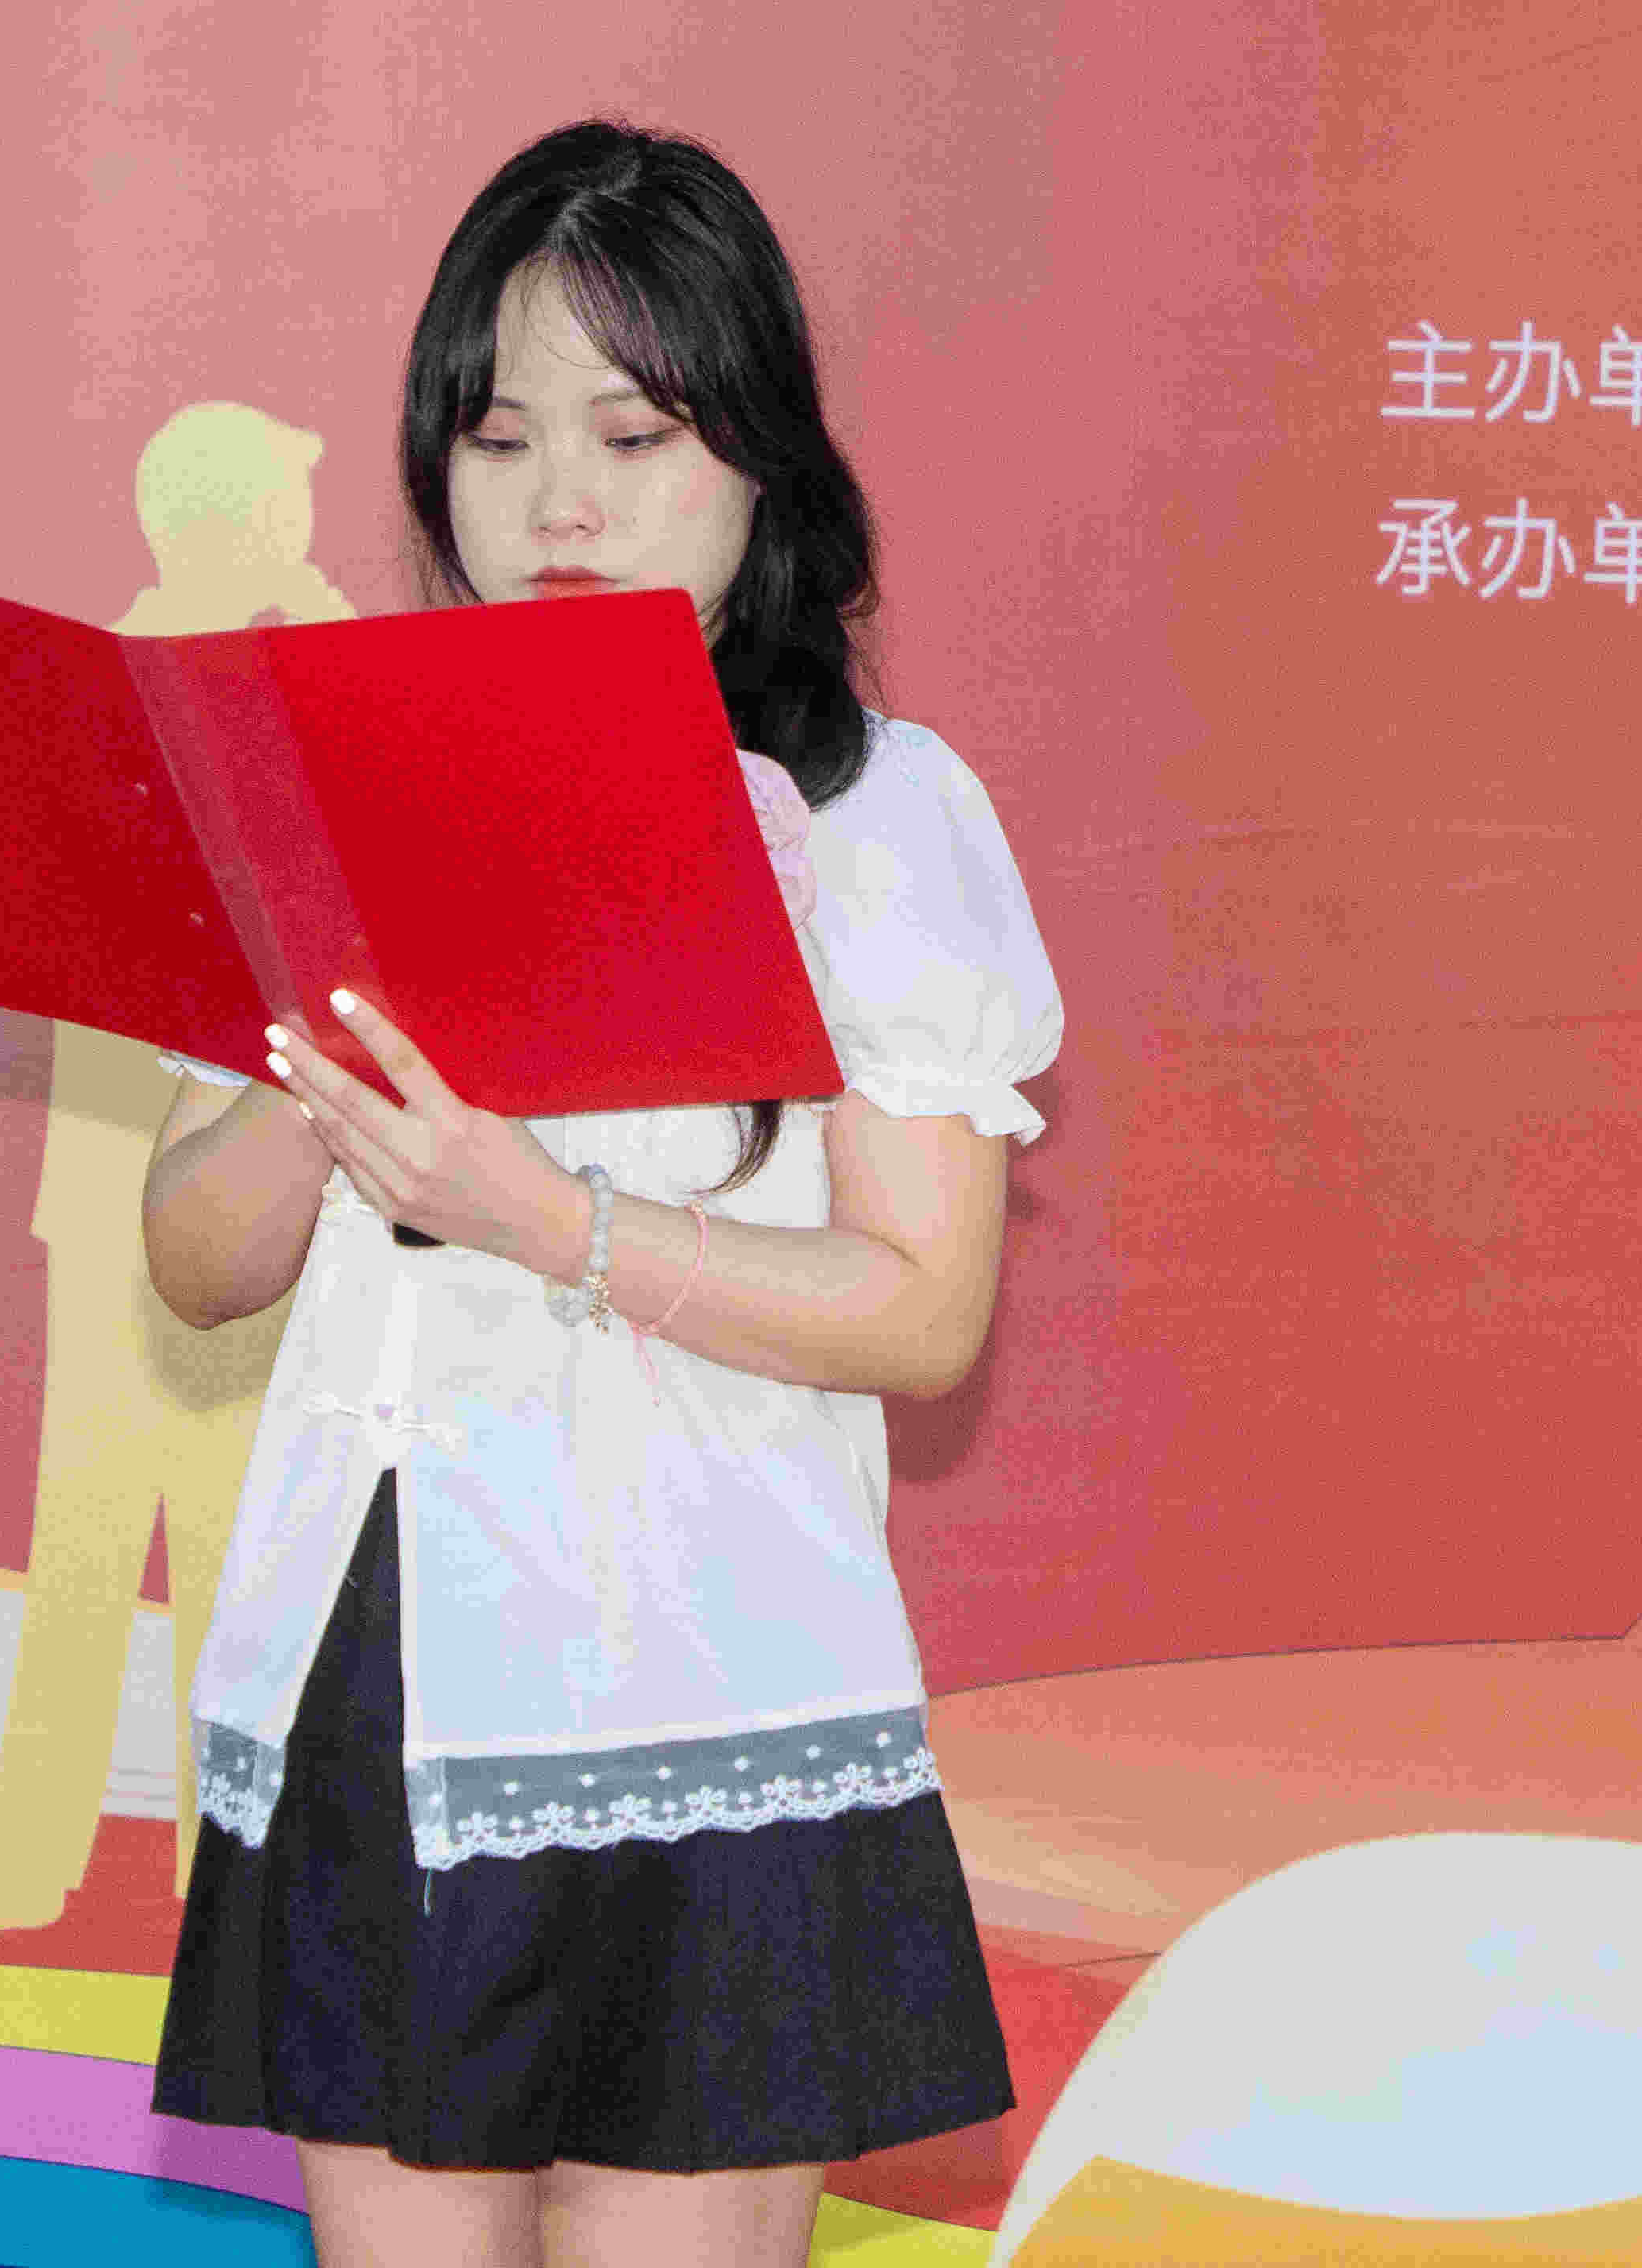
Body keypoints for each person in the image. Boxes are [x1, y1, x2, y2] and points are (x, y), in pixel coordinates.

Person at [141, 123, 1060, 2268]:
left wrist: (544, 1217)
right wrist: (336, 1077)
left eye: (633, 436)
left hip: (703, 1675)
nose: (558, 501)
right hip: (388, 1662)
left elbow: (923, 1310)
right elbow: (192, 1259)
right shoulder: (322, 773)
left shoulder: (872, 812)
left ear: (757, 460)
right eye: (499, 437)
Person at [0, 403, 350, 1940]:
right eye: (288, 505)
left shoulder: (304, 676)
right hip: (120, 1171)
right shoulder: (102, 686)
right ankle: (38, 1859)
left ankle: (212, 1879)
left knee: (238, 1542)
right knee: (91, 1530)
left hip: (260, 1188)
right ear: (225, 516)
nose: (307, 536)